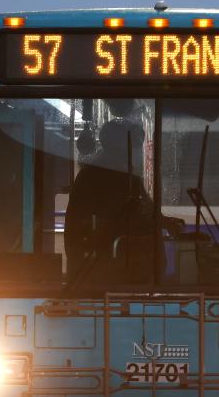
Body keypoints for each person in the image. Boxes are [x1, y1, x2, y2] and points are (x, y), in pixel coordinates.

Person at [64, 118, 154, 281]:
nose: (139, 154)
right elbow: (128, 217)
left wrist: (163, 221)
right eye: (135, 148)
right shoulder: (95, 178)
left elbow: (146, 211)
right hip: (100, 274)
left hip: (123, 269)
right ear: (120, 149)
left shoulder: (128, 178)